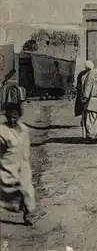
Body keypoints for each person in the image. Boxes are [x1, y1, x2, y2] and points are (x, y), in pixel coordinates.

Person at [0, 84, 35, 225]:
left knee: (27, 190)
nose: (12, 120)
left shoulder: (24, 129)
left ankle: (28, 215)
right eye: (10, 118)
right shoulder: (2, 130)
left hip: (23, 165)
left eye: (15, 118)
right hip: (7, 165)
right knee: (8, 191)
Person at [79, 61, 97, 142]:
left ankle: (91, 137)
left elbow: (86, 92)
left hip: (91, 102)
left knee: (90, 121)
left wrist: (83, 100)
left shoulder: (86, 77)